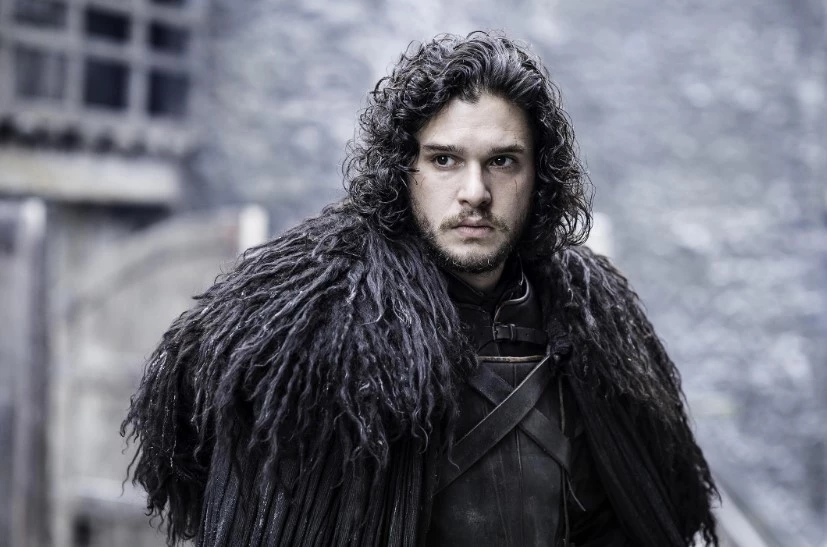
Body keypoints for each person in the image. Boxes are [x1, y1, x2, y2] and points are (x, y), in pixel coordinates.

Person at [123, 31, 719, 546]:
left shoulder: (598, 329)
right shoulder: (306, 329)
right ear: (404, 169)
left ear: (538, 174)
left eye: (502, 162)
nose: (475, 193)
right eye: (445, 160)